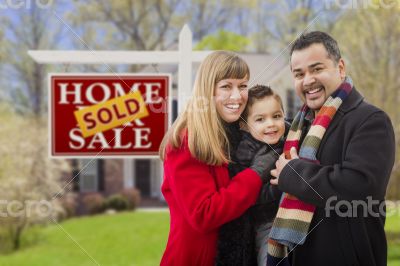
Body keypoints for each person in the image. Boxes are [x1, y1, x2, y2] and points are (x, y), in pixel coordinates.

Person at [268, 31, 395, 266]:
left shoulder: (370, 120)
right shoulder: (297, 128)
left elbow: (361, 186)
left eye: (317, 69)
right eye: (299, 74)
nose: (307, 80)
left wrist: (293, 174)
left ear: (340, 67)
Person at [159, 51, 278, 266]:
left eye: (243, 86)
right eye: (226, 86)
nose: (237, 96)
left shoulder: (236, 134)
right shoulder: (187, 141)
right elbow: (204, 214)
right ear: (208, 90)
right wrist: (256, 173)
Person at [215, 85, 288, 266]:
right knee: (270, 258)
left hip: (291, 216)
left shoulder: (289, 139)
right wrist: (281, 186)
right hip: (266, 221)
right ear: (245, 126)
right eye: (260, 119)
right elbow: (251, 196)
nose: (271, 124)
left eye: (276, 116)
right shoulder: (245, 152)